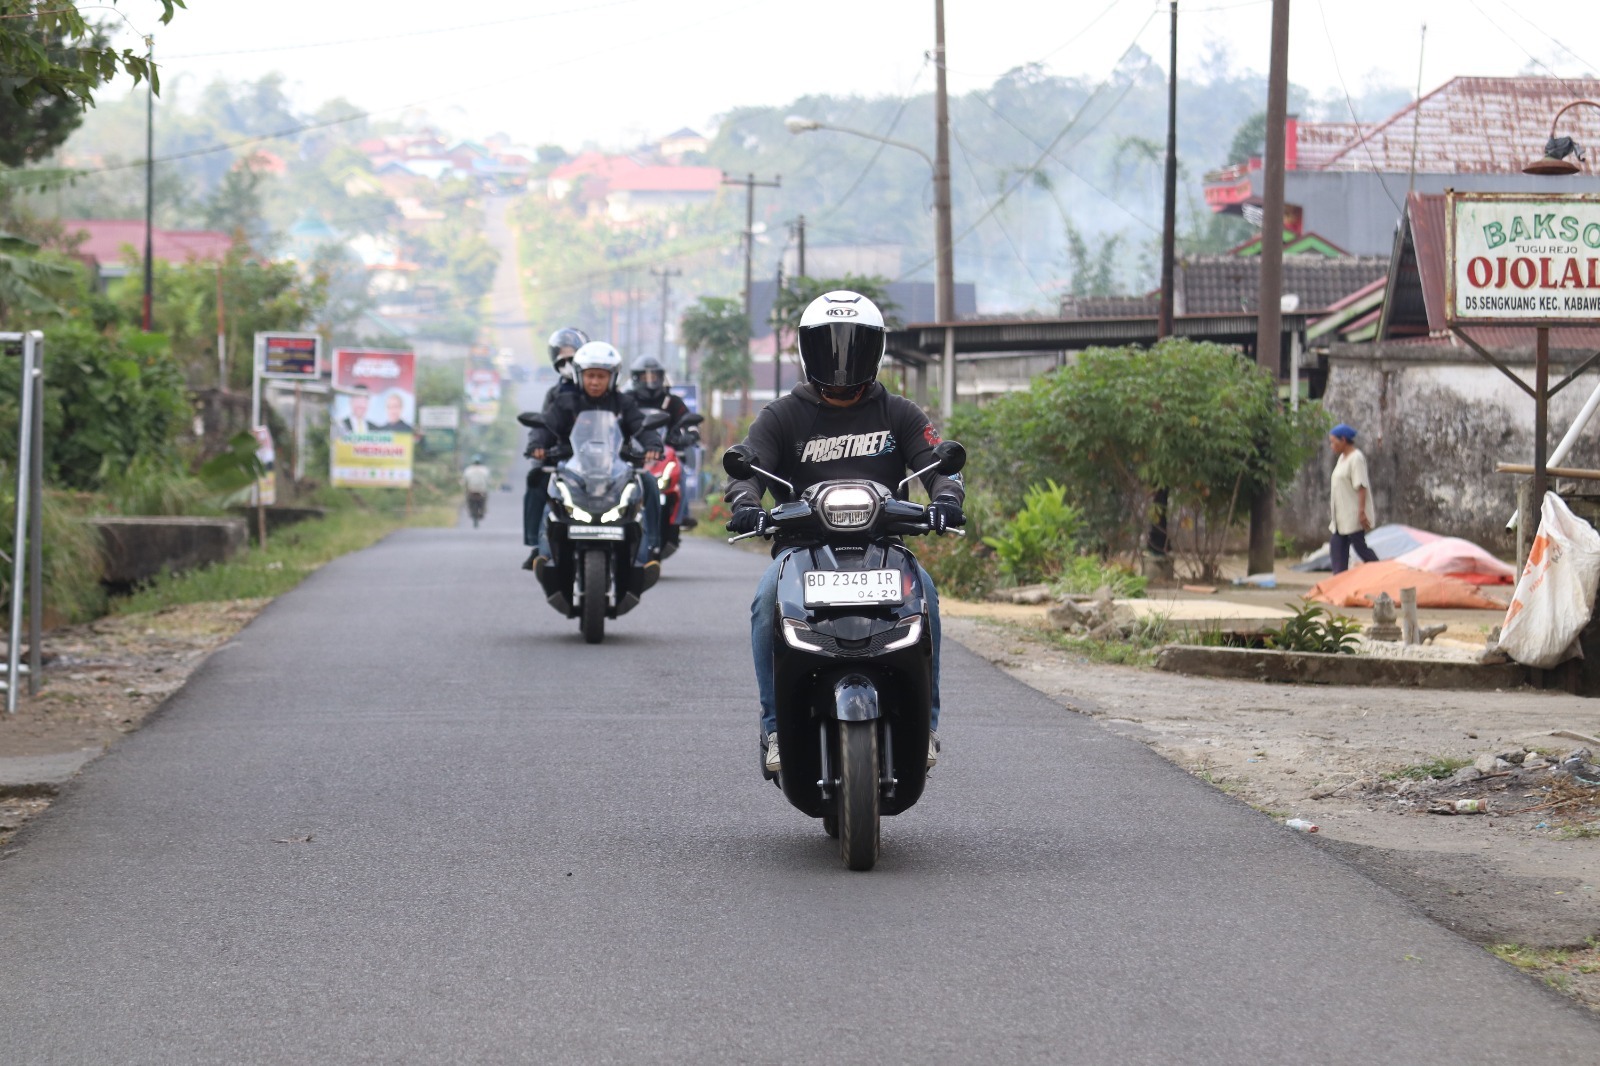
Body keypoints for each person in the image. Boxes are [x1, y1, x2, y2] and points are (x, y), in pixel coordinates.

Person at [724, 291, 965, 775]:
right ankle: (775, 729)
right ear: (806, 350)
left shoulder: (900, 413)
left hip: (884, 548)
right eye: (828, 345)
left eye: (852, 346)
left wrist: (946, 501)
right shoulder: (781, 415)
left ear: (873, 350)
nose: (840, 359)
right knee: (763, 600)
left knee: (928, 599)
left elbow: (939, 466)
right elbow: (746, 472)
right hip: (801, 551)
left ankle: (927, 728)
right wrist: (746, 504)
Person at [526, 341, 665, 588]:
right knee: (548, 493)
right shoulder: (565, 402)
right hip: (572, 471)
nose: (595, 382)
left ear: (612, 378)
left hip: (616, 470)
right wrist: (537, 445)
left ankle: (648, 553)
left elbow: (642, 427)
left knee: (648, 483)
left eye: (601, 376)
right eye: (590, 375)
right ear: (580, 375)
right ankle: (542, 552)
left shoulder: (624, 403)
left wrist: (653, 446)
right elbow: (545, 426)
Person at [522, 327, 589, 567]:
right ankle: (540, 546)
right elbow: (544, 425)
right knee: (538, 479)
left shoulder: (605, 389)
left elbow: (624, 423)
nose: (568, 363)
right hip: (564, 459)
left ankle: (642, 549)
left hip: (601, 460)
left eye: (573, 356)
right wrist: (537, 445)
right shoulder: (556, 394)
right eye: (563, 357)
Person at [628, 354, 697, 548]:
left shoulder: (671, 401)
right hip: (634, 455)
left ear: (661, 377)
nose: (650, 382)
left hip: (666, 454)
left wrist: (690, 435)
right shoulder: (628, 400)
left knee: (680, 473)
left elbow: (689, 421)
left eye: (654, 377)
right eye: (645, 377)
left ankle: (682, 515)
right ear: (636, 379)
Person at [1328, 422, 1378, 574]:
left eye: (1333, 442)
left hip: (1353, 516)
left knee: (1361, 549)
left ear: (1343, 440)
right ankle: (1339, 582)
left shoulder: (1356, 458)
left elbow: (1361, 485)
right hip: (1340, 518)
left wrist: (1362, 512)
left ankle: (1381, 571)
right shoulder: (1342, 458)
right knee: (1337, 549)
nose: (1331, 446)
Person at [462, 453, 491, 522]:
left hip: (471, 490)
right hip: (481, 490)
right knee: (484, 499)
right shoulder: (485, 470)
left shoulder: (468, 470)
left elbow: (465, 481)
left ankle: (469, 509)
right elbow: (488, 480)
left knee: (468, 499)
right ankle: (483, 509)